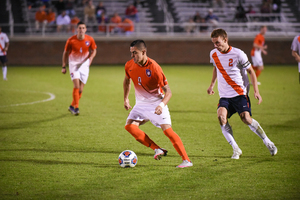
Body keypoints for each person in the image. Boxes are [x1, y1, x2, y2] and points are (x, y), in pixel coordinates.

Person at [207, 28, 277, 159]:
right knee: (221, 117)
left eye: (217, 42)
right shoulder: (213, 54)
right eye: (213, 43)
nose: (215, 46)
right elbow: (215, 68)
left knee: (246, 118)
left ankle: (268, 142)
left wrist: (256, 91)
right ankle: (236, 149)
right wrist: (211, 85)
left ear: (225, 40)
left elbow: (251, 72)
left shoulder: (238, 54)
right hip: (224, 95)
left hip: (239, 93)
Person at [123, 40, 193, 168]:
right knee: (130, 127)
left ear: (144, 52)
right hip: (140, 104)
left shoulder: (154, 67)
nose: (132, 56)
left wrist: (161, 105)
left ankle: (186, 160)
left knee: (167, 131)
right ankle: (157, 149)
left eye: (135, 53)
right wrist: (126, 99)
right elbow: (126, 81)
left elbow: (169, 92)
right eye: (131, 53)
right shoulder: (129, 65)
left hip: (156, 103)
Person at [61, 21, 97, 115]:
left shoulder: (90, 39)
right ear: (77, 29)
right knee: (76, 86)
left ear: (85, 29)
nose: (81, 30)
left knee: (80, 90)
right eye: (79, 28)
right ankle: (76, 108)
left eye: (83, 28)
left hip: (84, 65)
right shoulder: (71, 40)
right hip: (74, 65)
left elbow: (94, 50)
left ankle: (72, 106)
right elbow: (65, 53)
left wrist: (91, 59)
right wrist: (64, 66)